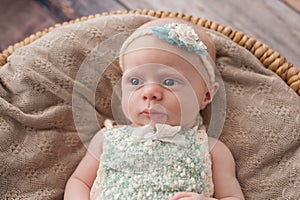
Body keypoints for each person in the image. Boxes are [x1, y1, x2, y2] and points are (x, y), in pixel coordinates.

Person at [64, 18, 245, 200]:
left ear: (205, 95)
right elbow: (79, 181)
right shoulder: (108, 138)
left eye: (169, 82)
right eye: (135, 81)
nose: (150, 93)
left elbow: (233, 196)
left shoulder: (212, 150)